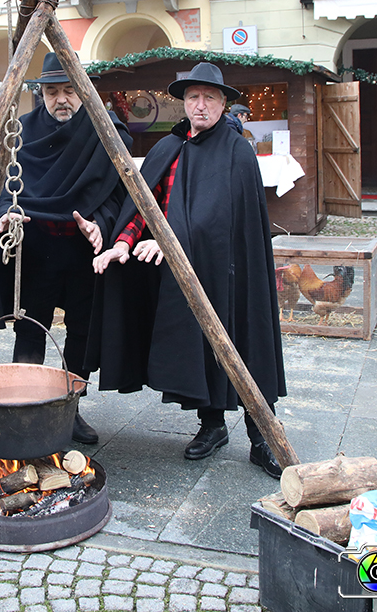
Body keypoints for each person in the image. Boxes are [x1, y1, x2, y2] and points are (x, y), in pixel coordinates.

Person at [90, 62, 286, 478]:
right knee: (200, 347)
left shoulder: (236, 151)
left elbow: (216, 217)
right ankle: (212, 426)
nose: (201, 105)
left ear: (222, 104)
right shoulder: (169, 147)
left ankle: (261, 436)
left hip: (230, 270)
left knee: (244, 345)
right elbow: (147, 204)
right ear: (184, 102)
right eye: (194, 97)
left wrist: (166, 239)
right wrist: (123, 243)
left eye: (210, 98)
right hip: (181, 269)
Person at [0, 52, 133, 446]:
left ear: (83, 92)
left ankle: (70, 409)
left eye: (69, 90)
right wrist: (8, 214)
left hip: (80, 252)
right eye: (52, 91)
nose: (61, 100)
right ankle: (27, 407)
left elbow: (117, 196)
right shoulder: (21, 131)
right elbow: (5, 188)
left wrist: (101, 225)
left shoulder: (103, 131)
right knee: (31, 331)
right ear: (41, 93)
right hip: (36, 250)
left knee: (82, 334)